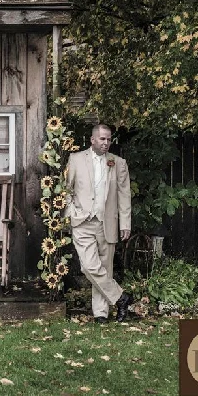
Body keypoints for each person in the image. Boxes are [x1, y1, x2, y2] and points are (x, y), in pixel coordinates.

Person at [64, 124, 134, 323]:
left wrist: (125, 223)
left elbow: (124, 195)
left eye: (109, 139)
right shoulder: (76, 159)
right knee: (89, 266)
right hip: (82, 221)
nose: (106, 143)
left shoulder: (118, 163)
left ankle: (101, 315)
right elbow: (67, 189)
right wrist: (71, 211)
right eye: (102, 139)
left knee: (105, 268)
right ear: (92, 140)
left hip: (107, 222)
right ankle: (121, 298)